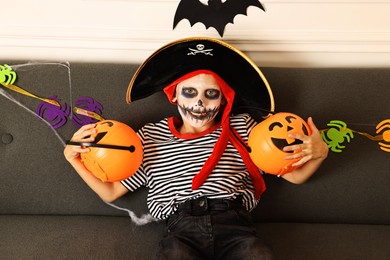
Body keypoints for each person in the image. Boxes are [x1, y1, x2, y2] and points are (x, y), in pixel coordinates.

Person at [64, 38, 328, 260]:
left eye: (211, 94)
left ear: (225, 99)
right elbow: (110, 191)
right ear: (174, 95)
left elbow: (294, 175)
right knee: (174, 254)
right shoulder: (149, 136)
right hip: (181, 227)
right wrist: (73, 159)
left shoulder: (243, 127)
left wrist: (319, 154)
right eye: (189, 92)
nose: (199, 102)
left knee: (258, 253)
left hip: (235, 224)